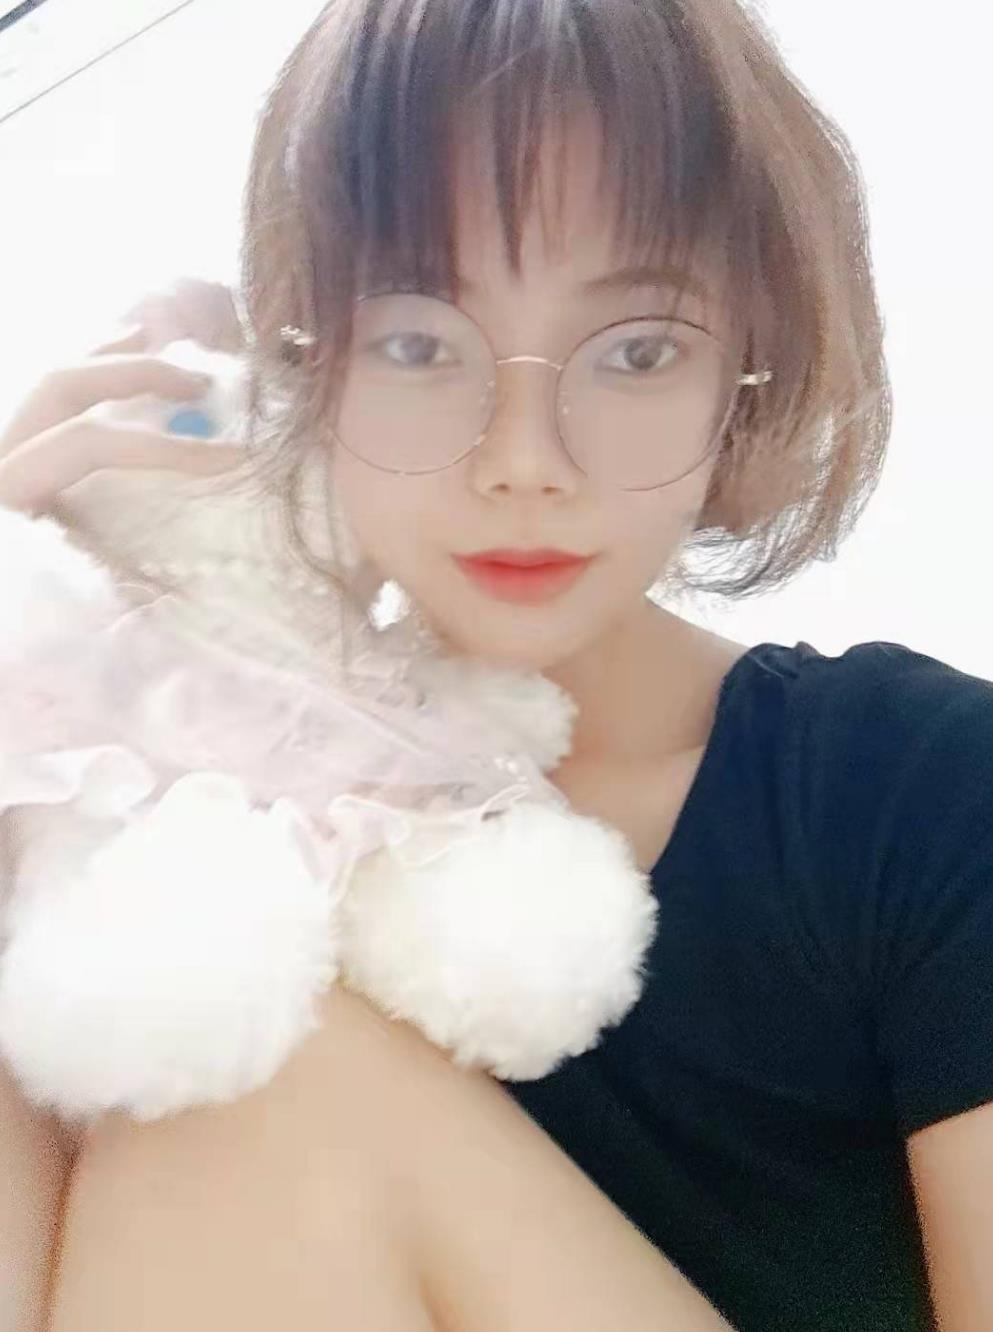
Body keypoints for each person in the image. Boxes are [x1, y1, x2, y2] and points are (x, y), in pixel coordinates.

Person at [1, 0, 992, 1329]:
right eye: (419, 342)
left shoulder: (918, 787)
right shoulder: (175, 827)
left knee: (260, 1069)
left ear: (743, 370)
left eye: (637, 350)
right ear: (306, 364)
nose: (524, 458)